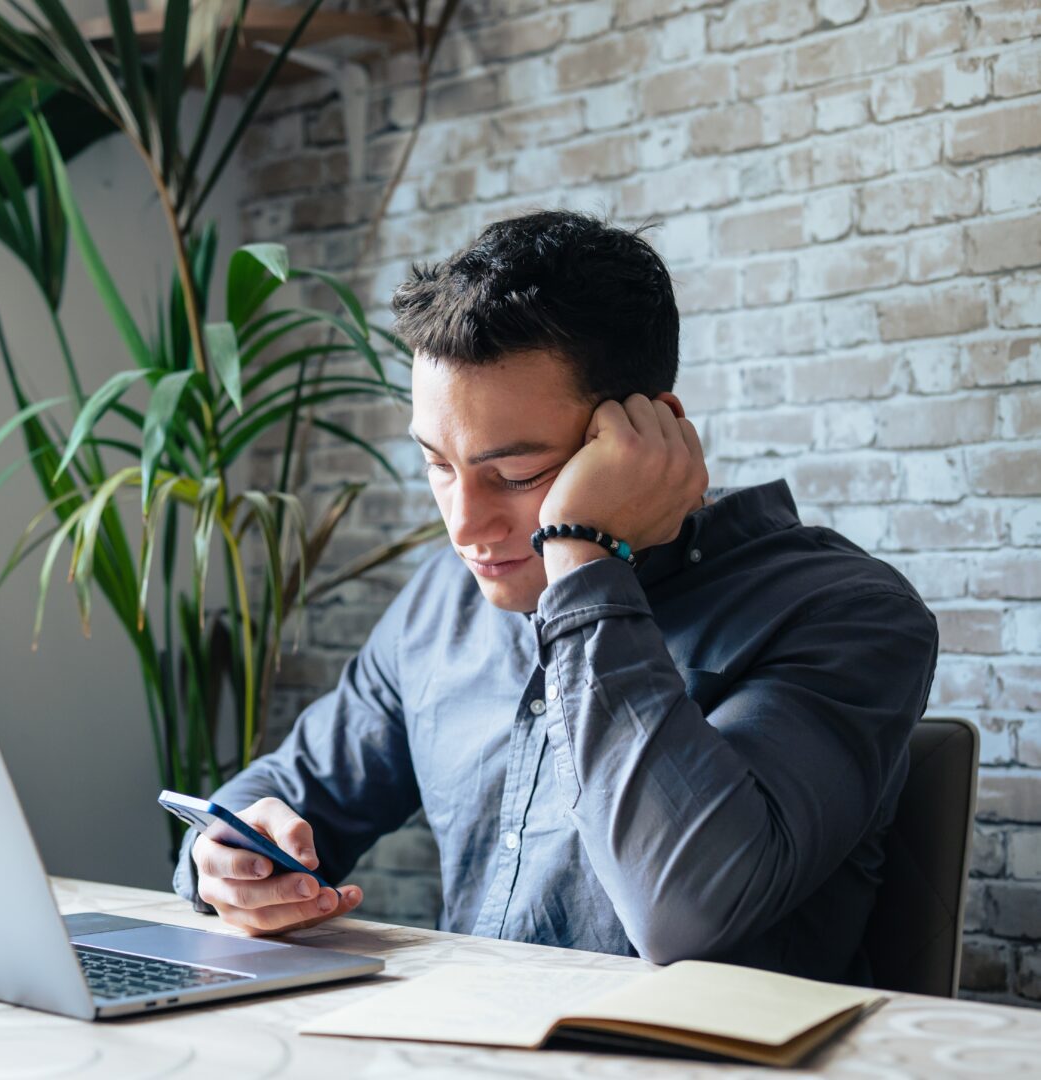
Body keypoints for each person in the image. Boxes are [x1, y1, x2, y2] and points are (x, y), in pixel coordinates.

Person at [173, 210, 939, 982]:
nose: (465, 524)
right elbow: (285, 791)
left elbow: (685, 910)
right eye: (439, 464)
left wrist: (582, 556)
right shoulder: (445, 602)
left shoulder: (847, 613)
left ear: (643, 435)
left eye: (514, 475)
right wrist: (227, 856)